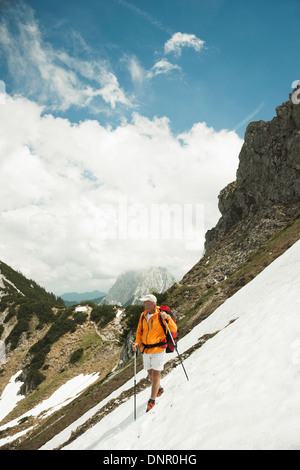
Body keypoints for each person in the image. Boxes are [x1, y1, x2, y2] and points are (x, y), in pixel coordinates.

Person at [132, 293, 177, 412]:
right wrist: (137, 342)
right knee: (150, 373)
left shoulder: (161, 315)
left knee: (156, 374)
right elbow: (139, 332)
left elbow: (174, 329)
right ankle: (159, 389)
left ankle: (152, 400)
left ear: (151, 304)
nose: (143, 304)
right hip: (146, 349)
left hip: (159, 349)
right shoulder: (143, 315)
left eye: (145, 302)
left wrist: (167, 318)